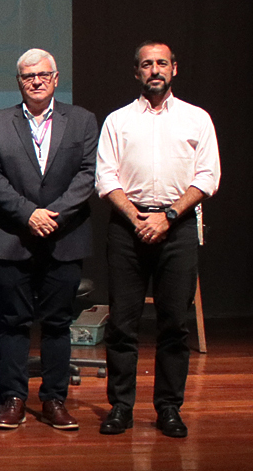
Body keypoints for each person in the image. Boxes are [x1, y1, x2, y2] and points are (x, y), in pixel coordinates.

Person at [95, 41, 220, 439]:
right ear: (136, 72)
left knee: (173, 325)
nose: (154, 70)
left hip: (177, 226)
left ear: (174, 69)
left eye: (161, 63)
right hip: (127, 227)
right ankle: (121, 407)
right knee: (123, 325)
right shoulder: (117, 121)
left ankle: (169, 407)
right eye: (147, 64)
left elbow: (207, 177)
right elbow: (106, 177)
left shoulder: (197, 119)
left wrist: (166, 218)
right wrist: (137, 218)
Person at [0, 49, 97, 431]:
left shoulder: (81, 120)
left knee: (57, 324)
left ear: (56, 77)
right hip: (14, 237)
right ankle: (13, 400)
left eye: (43, 74)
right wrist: (28, 213)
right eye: (28, 75)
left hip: (65, 237)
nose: (36, 80)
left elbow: (88, 174)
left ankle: (53, 400)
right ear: (19, 81)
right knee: (13, 323)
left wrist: (54, 215)